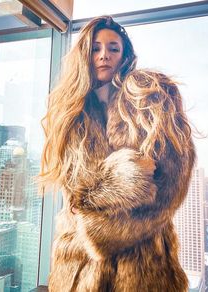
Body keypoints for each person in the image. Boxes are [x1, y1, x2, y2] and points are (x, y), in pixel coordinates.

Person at [39, 16, 196, 292]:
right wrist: (128, 175)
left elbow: (169, 187)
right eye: (96, 48)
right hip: (76, 268)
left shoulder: (148, 99)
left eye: (113, 48)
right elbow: (76, 197)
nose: (104, 56)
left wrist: (97, 228)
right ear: (85, 54)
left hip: (142, 268)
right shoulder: (71, 115)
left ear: (125, 55)